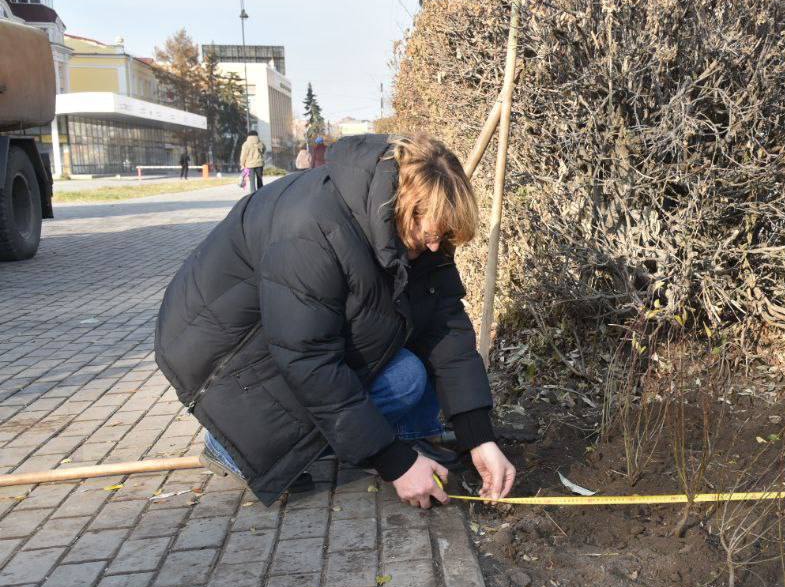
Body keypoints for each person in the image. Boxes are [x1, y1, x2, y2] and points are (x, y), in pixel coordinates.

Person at [154, 133, 516, 507]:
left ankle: (382, 439)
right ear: (406, 206)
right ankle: (231, 444)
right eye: (431, 234)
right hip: (223, 354)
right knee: (382, 380)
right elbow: (307, 358)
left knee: (405, 374)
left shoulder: (413, 225)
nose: (437, 247)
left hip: (278, 331)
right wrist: (395, 463)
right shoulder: (312, 229)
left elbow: (445, 324)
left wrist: (479, 437)